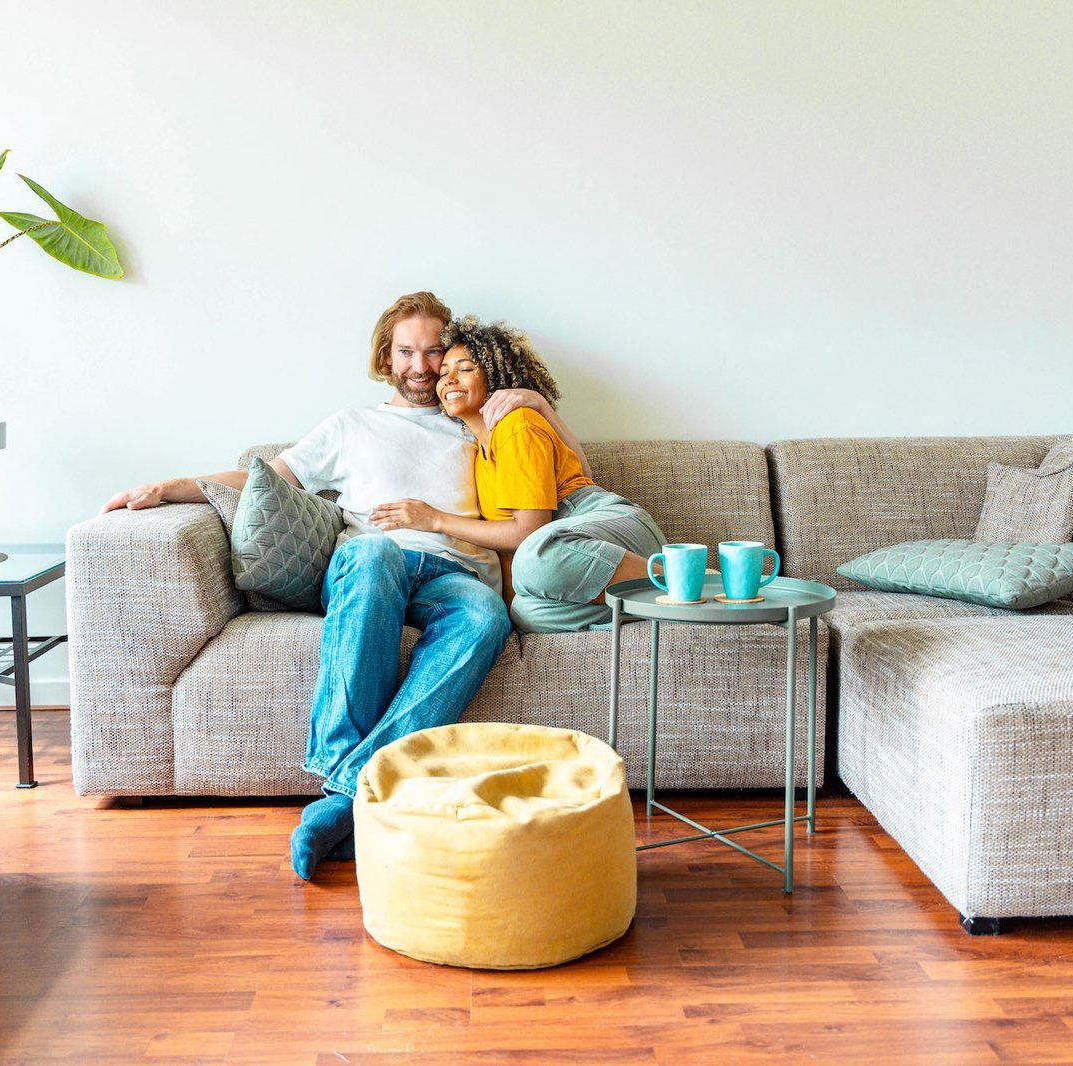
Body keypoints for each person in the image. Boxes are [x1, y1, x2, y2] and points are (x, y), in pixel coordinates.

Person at [102, 293, 588, 880]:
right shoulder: (352, 425)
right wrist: (172, 486)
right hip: (370, 564)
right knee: (375, 549)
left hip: (455, 576)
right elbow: (263, 480)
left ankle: (343, 794)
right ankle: (353, 787)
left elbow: (572, 473)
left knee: (486, 616)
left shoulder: (483, 422)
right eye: (407, 351)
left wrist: (536, 401)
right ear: (387, 357)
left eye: (436, 351)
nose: (422, 366)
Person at [371, 317, 666, 633]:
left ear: (494, 378)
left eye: (465, 369)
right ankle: (657, 604)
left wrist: (435, 520)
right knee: (525, 612)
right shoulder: (478, 453)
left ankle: (683, 580)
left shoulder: (516, 424)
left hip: (611, 530)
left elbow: (527, 534)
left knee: (536, 556)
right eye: (444, 373)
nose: (449, 379)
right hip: (565, 554)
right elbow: (512, 551)